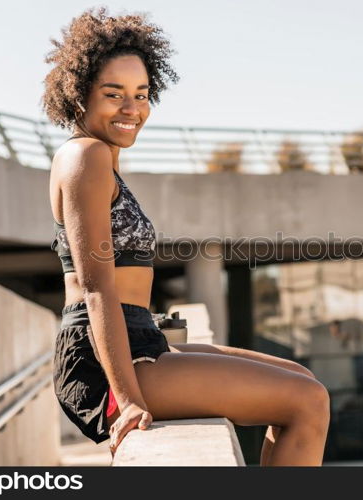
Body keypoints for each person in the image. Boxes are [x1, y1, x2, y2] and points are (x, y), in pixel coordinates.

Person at [43, 8, 330, 466]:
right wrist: (129, 399)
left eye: (141, 94)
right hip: (108, 360)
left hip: (139, 337)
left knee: (302, 379)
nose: (131, 108)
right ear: (80, 96)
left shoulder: (101, 158)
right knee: (305, 402)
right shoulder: (86, 158)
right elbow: (97, 289)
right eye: (113, 94)